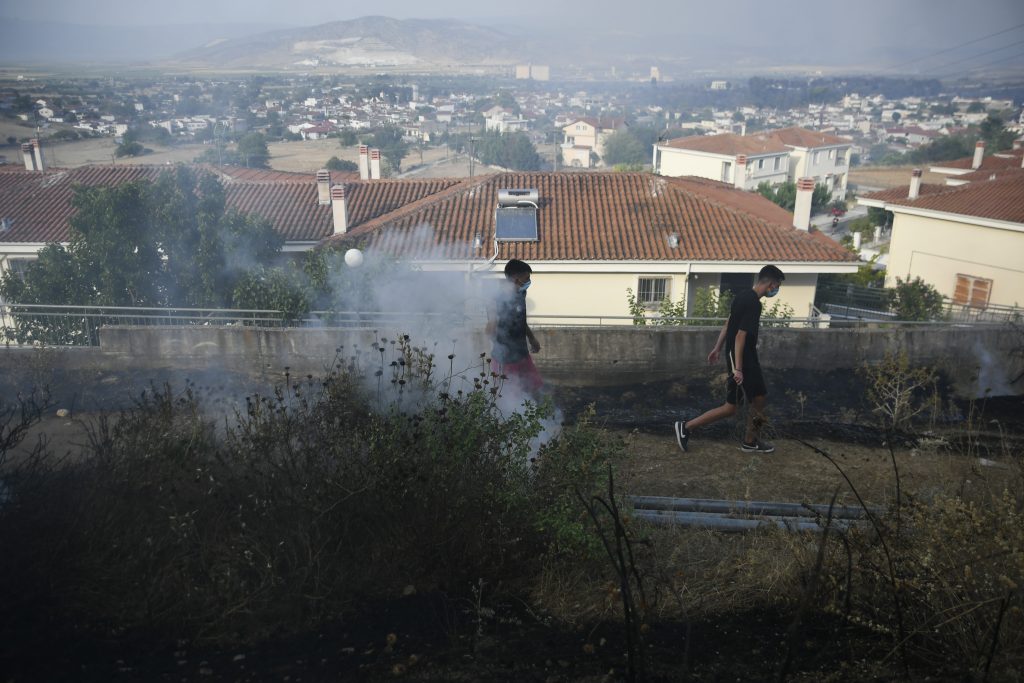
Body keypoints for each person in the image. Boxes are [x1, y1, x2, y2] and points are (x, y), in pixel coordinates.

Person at [674, 264, 786, 454]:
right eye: (777, 286)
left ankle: (750, 440)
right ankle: (686, 427)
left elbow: (728, 323)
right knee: (740, 404)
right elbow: (740, 335)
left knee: (749, 402)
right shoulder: (753, 304)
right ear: (770, 284)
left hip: (738, 357)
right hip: (743, 360)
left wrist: (717, 348)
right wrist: (739, 369)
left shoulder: (742, 296)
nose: (776, 290)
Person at [486, 259, 543, 396]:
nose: (528, 282)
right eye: (526, 278)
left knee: (533, 390)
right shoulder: (496, 299)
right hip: (505, 360)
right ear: (516, 279)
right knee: (507, 397)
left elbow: (521, 319)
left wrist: (532, 338)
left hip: (522, 354)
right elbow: (490, 331)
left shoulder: (521, 293)